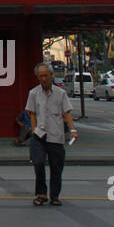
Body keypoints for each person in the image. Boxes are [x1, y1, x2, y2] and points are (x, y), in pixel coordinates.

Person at [25, 61, 78, 206]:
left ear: (51, 75)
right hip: (39, 135)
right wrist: (34, 131)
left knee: (56, 167)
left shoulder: (60, 94)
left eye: (46, 76)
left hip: (56, 135)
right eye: (40, 76)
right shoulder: (33, 93)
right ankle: (41, 194)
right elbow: (32, 114)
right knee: (38, 162)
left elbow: (66, 113)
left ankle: (54, 196)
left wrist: (73, 130)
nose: (43, 79)